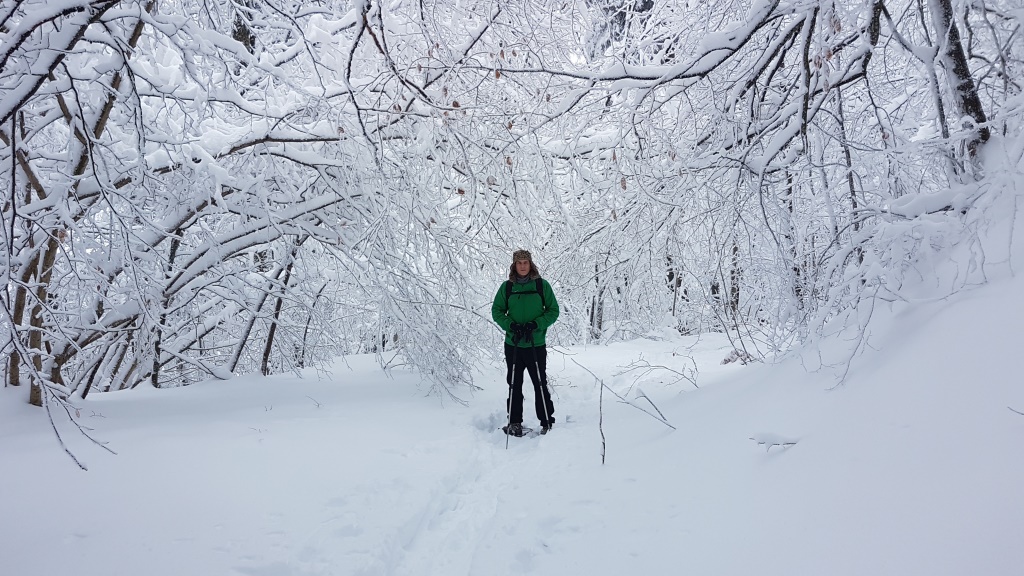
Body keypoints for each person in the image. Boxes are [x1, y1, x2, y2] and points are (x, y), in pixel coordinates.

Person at [491, 249, 560, 436]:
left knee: (540, 383)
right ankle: (514, 422)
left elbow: (553, 310)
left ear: (530, 264)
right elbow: (497, 311)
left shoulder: (541, 285)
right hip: (513, 344)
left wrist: (535, 324)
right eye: (519, 263)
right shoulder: (507, 287)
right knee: (514, 384)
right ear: (514, 265)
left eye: (525, 262)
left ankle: (546, 421)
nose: (522, 266)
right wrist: (511, 325)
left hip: (535, 344)